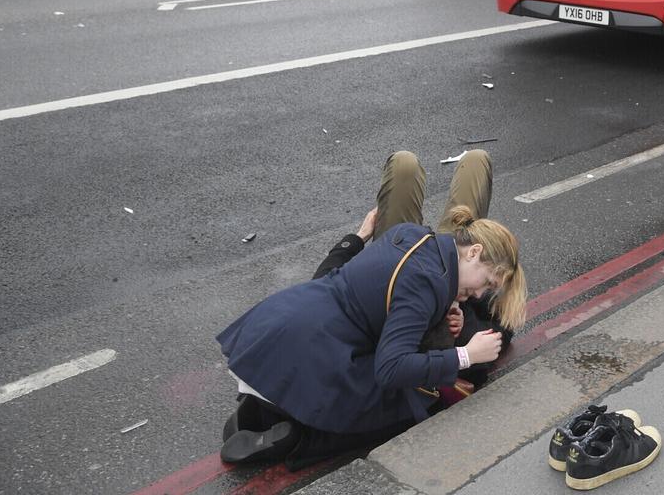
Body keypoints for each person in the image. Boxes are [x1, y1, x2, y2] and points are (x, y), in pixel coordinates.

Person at [216, 149, 526, 465]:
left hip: (273, 333)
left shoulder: (409, 235)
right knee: (415, 403)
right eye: (486, 282)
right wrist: (467, 355)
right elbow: (390, 368)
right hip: (314, 359)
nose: (479, 293)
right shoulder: (427, 284)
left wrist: (357, 238)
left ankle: (258, 410)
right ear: (473, 252)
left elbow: (333, 281)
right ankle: (300, 439)